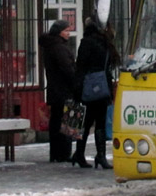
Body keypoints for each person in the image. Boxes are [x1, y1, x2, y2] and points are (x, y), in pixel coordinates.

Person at [73, 17, 120, 169]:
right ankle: (100, 155)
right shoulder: (106, 42)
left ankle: (80, 154)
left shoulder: (87, 42)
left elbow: (80, 65)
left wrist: (77, 88)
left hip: (87, 86)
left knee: (84, 123)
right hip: (102, 86)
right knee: (100, 122)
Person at [38, 20, 75, 163]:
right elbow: (68, 69)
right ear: (59, 32)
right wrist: (76, 81)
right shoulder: (59, 48)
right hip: (65, 90)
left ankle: (55, 153)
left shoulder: (50, 46)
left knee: (56, 121)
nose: (69, 33)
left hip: (54, 90)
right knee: (67, 122)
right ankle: (64, 153)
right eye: (66, 31)